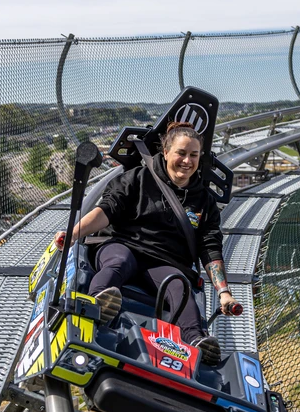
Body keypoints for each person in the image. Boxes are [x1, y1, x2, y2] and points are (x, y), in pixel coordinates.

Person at [56, 121, 240, 365]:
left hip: (165, 262)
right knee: (119, 262)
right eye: (181, 153)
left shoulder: (204, 201)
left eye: (193, 155)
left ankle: (196, 341)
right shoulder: (138, 179)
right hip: (124, 244)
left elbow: (210, 246)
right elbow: (108, 209)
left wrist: (224, 293)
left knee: (179, 287)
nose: (187, 161)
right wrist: (74, 233)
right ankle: (99, 302)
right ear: (165, 153)